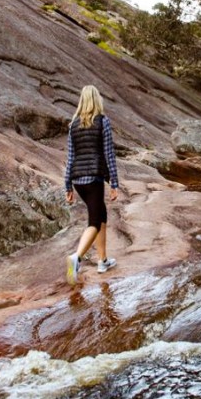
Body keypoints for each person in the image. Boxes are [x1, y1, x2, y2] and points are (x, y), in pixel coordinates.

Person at [64, 85, 119, 285]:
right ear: (97, 100)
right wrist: (114, 182)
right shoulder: (102, 122)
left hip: (78, 180)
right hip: (94, 178)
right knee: (94, 222)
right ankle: (76, 258)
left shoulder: (73, 125)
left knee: (101, 214)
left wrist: (68, 186)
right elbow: (108, 154)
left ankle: (102, 261)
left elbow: (70, 158)